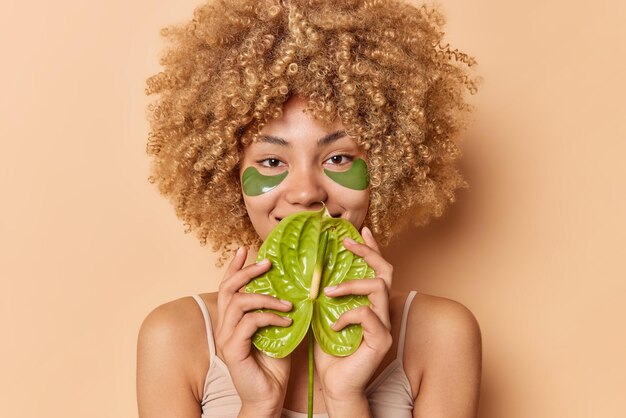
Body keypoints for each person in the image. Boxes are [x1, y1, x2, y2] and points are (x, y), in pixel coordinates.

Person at [136, 0, 482, 417]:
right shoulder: (176, 337)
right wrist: (259, 403)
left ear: (386, 167)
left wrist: (345, 399)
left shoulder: (441, 335)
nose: (305, 193)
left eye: (337, 158)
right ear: (229, 175)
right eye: (272, 161)